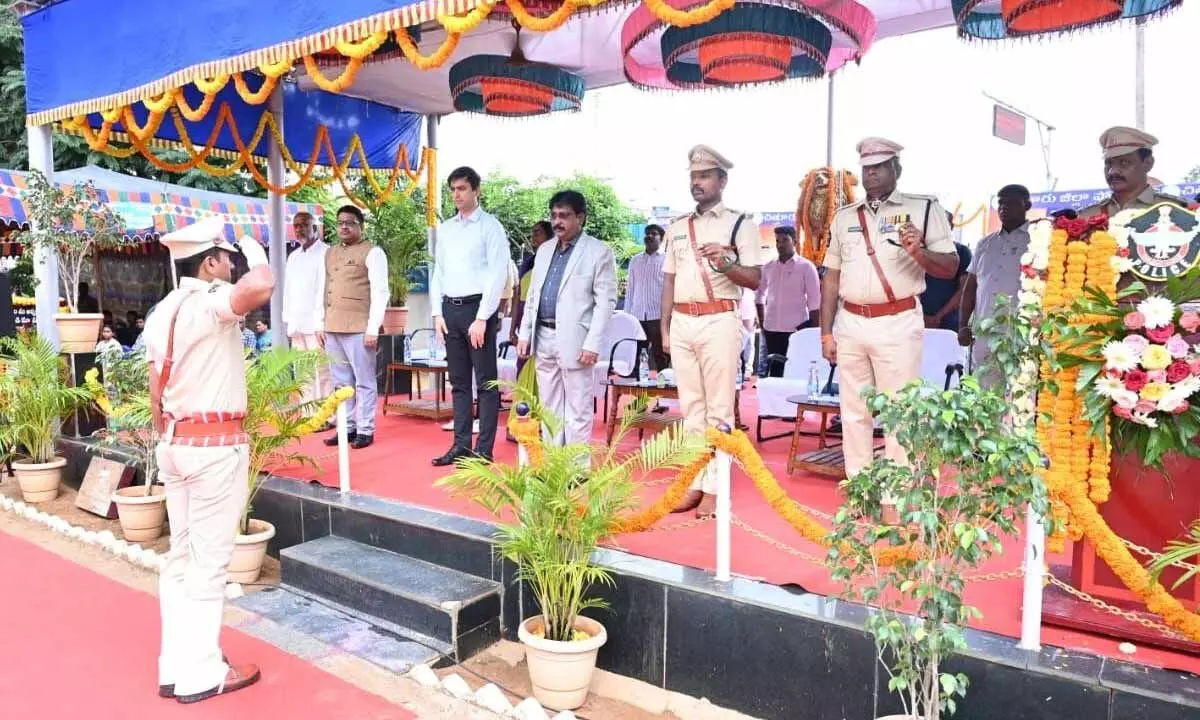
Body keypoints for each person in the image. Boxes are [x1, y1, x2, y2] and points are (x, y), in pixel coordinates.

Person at [143, 215, 272, 704]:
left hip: (177, 444)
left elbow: (156, 382)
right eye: (227, 259)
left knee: (181, 558)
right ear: (211, 262)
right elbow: (261, 286)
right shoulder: (209, 302)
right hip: (215, 450)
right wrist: (254, 248)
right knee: (209, 565)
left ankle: (175, 666)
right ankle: (200, 672)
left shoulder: (163, 311)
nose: (231, 267)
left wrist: (167, 434)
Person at [819, 138, 958, 500]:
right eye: (867, 167)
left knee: (899, 414)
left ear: (897, 169)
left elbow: (950, 267)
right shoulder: (845, 216)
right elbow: (831, 277)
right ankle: (861, 490)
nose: (872, 173)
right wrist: (825, 333)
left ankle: (897, 497)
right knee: (853, 414)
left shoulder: (924, 209)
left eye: (880, 166)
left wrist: (920, 252)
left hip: (897, 321)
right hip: (850, 323)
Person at [663, 145, 762, 518]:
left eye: (704, 176)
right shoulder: (677, 227)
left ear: (722, 180)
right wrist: (664, 327)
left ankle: (716, 489)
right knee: (691, 408)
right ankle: (693, 482)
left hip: (720, 318)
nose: (697, 183)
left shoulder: (741, 225)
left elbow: (753, 279)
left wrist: (726, 262)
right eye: (693, 177)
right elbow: (669, 280)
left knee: (720, 409)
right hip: (682, 320)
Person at [518, 190, 617, 451]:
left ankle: (575, 469)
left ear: (580, 217)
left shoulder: (598, 252)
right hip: (544, 337)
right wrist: (525, 333)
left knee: (577, 408)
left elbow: (606, 302)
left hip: (577, 340)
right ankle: (553, 465)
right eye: (554, 216)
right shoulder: (545, 250)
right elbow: (533, 295)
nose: (557, 222)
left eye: (564, 216)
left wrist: (593, 343)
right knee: (549, 406)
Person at [430, 166, 510, 466]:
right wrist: (437, 312)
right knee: (459, 382)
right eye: (452, 189)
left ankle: (484, 450)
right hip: (450, 309)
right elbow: (439, 271)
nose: (456, 195)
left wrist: (482, 317)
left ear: (476, 190)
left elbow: (497, 273)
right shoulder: (447, 229)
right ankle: (460, 445)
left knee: (486, 383)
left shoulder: (490, 226)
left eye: (462, 188)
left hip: (479, 309)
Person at [316, 205, 389, 450]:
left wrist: (373, 328)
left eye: (350, 222)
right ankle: (346, 428)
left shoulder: (373, 252)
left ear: (361, 226)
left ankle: (365, 428)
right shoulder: (330, 253)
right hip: (333, 325)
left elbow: (381, 292)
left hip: (359, 327)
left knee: (364, 381)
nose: (344, 227)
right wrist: (320, 323)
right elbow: (323, 289)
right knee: (340, 382)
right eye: (340, 223)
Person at [960, 184, 1031, 385]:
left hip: (1020, 330)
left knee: (1020, 390)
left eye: (1011, 202)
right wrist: (963, 325)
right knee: (984, 390)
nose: (1003, 208)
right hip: (984, 330)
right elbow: (971, 287)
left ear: (1027, 205)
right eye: (1000, 203)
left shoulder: (1038, 241)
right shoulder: (985, 244)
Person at [1078, 126, 1186, 220]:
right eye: (1109, 163)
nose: (1113, 171)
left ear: (1148, 163)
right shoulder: (1087, 217)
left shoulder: (1177, 211)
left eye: (1124, 162)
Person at [756, 225, 820, 375]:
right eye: (778, 241)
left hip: (796, 330)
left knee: (795, 371)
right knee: (775, 372)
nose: (780, 245)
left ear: (795, 242)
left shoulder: (806, 267)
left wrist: (813, 333)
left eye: (785, 240)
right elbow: (759, 296)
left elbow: (814, 302)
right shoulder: (768, 267)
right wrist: (762, 324)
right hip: (771, 330)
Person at [282, 211, 330, 407]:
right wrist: (289, 321)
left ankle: (327, 414)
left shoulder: (326, 252)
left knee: (322, 371)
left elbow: (324, 290)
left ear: (315, 228)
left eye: (303, 225)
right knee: (302, 370)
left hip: (316, 325)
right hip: (297, 324)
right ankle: (308, 412)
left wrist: (321, 323)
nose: (299, 229)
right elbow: (288, 290)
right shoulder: (293, 256)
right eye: (296, 226)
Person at [511, 221, 553, 376]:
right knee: (522, 368)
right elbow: (517, 297)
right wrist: (512, 330)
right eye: (532, 232)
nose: (533, 236)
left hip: (544, 326)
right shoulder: (528, 262)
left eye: (538, 232)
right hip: (524, 324)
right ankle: (524, 401)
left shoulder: (555, 261)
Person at [625, 224, 669, 371]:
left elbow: (671, 290)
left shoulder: (667, 260)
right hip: (637, 315)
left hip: (657, 316)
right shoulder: (635, 260)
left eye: (654, 234)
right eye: (647, 233)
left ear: (661, 239)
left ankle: (662, 386)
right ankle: (636, 389)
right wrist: (628, 315)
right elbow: (630, 288)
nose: (649, 236)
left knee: (660, 354)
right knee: (636, 353)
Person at [920, 223, 972, 330]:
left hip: (950, 319)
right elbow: (911, 284)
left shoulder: (962, 252)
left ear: (950, 228)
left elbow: (963, 290)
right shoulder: (918, 252)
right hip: (918, 318)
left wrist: (938, 317)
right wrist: (921, 315)